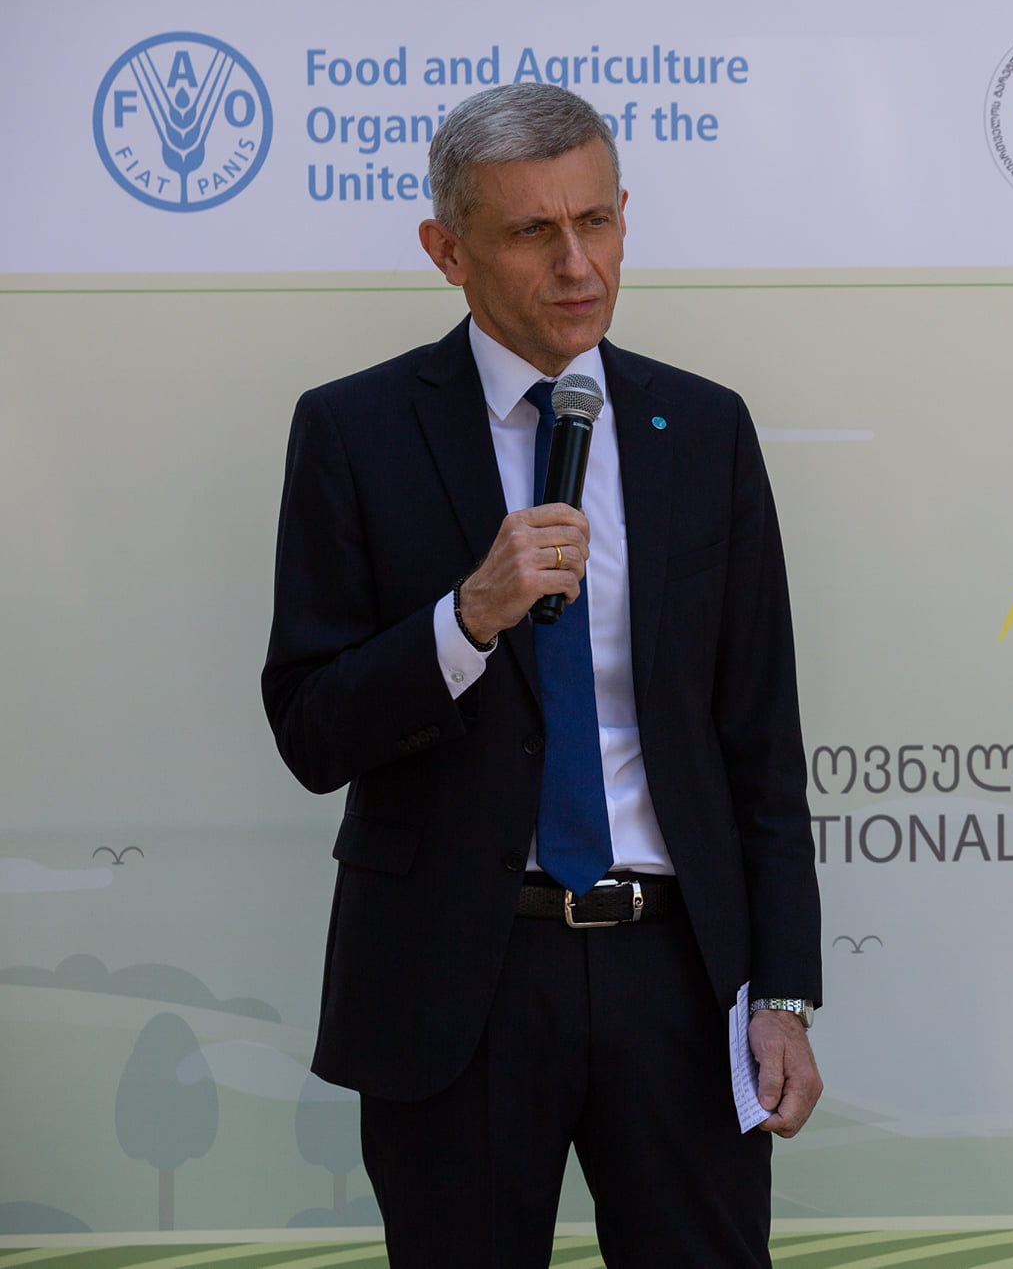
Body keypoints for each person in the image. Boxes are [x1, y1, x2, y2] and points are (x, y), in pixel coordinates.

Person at [261, 82, 821, 1268]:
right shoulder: (356, 431)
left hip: (678, 973)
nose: (578, 265)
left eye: (597, 221)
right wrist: (466, 619)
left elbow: (759, 740)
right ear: (446, 251)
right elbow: (311, 729)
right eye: (532, 231)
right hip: (457, 978)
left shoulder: (702, 429)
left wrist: (781, 994)